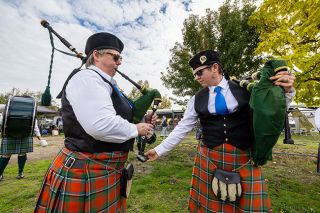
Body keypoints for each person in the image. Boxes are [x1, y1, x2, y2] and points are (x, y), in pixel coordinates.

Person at [146, 50, 295, 212]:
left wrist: (287, 92)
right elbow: (182, 128)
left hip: (244, 158)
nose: (196, 77)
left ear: (215, 68)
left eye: (200, 72)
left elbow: (271, 111)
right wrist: (159, 150)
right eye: (195, 74)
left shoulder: (246, 89)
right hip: (210, 159)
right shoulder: (196, 99)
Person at [34, 32, 156, 212]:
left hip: (105, 168)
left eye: (120, 58)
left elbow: (119, 117)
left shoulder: (107, 83)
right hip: (86, 168)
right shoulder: (86, 78)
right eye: (115, 57)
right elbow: (101, 125)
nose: (119, 62)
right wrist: (136, 129)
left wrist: (142, 122)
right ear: (96, 55)